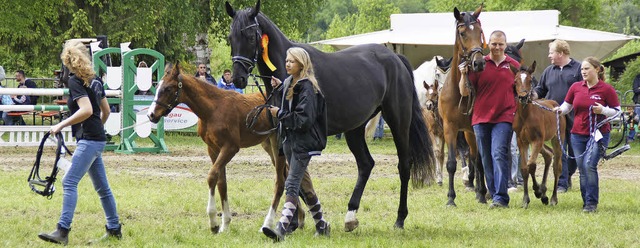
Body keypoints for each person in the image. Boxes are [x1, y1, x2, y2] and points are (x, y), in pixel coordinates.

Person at [38, 40, 122, 245]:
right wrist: (97, 130)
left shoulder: (75, 81)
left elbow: (86, 110)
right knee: (102, 187)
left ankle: (63, 230)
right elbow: (106, 111)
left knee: (69, 182)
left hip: (89, 140)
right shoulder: (95, 80)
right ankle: (114, 229)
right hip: (96, 139)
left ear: (68, 61)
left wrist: (60, 126)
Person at [263, 47, 330, 241]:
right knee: (304, 187)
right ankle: (322, 225)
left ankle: (281, 229)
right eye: (286, 60)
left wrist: (280, 114)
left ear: (302, 64)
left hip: (302, 143)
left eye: (292, 61)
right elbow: (289, 94)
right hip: (291, 142)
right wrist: (278, 87)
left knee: (291, 184)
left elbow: (303, 119)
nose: (287, 63)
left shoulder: (308, 87)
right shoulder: (290, 82)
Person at [460, 30, 520, 209]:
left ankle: (501, 198)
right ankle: (494, 194)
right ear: (488, 45)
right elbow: (464, 92)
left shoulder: (513, 65)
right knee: (486, 157)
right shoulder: (480, 64)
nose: (497, 47)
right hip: (481, 118)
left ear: (506, 45)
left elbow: (521, 89)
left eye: (501, 44)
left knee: (499, 154)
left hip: (504, 117)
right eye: (494, 44)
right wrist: (463, 74)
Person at [553, 57, 620, 213]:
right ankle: (586, 201)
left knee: (589, 165)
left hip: (599, 134)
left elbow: (617, 113)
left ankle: (591, 203)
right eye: (582, 69)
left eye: (587, 68)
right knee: (582, 168)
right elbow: (567, 106)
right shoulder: (576, 87)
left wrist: (603, 110)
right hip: (577, 134)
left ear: (596, 69)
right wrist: (560, 111)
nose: (583, 72)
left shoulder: (606, 89)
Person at [533, 40, 582, 193]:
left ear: (560, 53)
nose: (549, 56)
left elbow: (583, 90)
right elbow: (540, 89)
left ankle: (567, 175)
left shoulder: (579, 68)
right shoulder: (548, 71)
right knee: (560, 148)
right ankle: (561, 183)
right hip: (554, 116)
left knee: (575, 151)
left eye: (551, 52)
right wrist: (531, 95)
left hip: (574, 115)